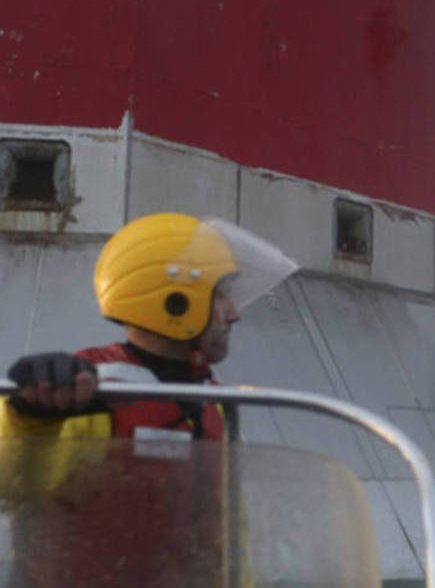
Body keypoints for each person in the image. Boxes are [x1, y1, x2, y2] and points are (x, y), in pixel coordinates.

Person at [0, 212, 297, 585]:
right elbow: (12, 482)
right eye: (220, 295)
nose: (233, 313)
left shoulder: (209, 401)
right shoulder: (87, 394)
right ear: (175, 301)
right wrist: (29, 416)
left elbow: (227, 537)